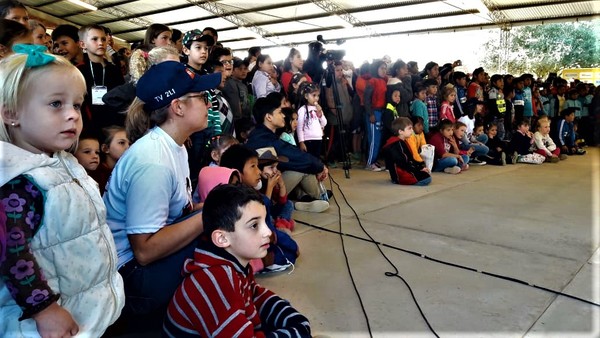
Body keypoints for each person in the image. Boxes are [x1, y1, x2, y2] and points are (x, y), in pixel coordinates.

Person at [0, 44, 124, 337]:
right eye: (56, 104)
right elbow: (10, 253)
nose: (72, 115)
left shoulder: (63, 162)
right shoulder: (18, 182)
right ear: (11, 113)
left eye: (77, 105)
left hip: (83, 310)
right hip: (42, 324)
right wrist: (44, 309)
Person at [103, 61, 221, 331]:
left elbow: (179, 213)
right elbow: (143, 251)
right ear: (177, 107)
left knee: (234, 215)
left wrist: (219, 205)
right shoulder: (153, 161)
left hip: (142, 264)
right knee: (224, 241)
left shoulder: (174, 146)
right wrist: (210, 214)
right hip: (131, 276)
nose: (209, 104)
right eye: (202, 98)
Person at [163, 184, 311, 337]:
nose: (268, 232)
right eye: (254, 225)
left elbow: (254, 295)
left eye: (265, 222)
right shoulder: (215, 280)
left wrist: (294, 321)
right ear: (222, 238)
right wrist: (298, 331)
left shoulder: (233, 264)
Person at [246, 92, 329, 212]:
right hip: (265, 191)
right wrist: (320, 166)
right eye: (280, 112)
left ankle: (305, 198)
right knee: (302, 166)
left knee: (303, 164)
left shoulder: (262, 134)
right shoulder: (264, 138)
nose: (284, 116)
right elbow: (294, 156)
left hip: (268, 185)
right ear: (269, 117)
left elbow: (292, 151)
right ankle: (318, 196)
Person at [77, 24, 125, 133]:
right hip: (87, 127)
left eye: (103, 39)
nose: (100, 43)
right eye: (94, 39)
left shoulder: (114, 70)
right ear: (83, 44)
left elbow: (121, 99)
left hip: (113, 126)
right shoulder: (79, 70)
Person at [382, 117, 431, 186]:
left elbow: (410, 159)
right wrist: (418, 170)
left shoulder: (402, 141)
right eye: (409, 128)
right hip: (400, 175)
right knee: (427, 178)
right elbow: (403, 163)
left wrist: (420, 168)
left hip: (402, 171)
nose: (412, 130)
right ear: (400, 131)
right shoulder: (397, 144)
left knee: (425, 173)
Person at [364, 60, 388, 171]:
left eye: (385, 68)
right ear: (376, 69)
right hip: (374, 112)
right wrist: (371, 114)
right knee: (374, 139)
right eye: (382, 68)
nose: (384, 70)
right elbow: (366, 99)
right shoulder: (372, 81)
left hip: (381, 112)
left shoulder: (383, 80)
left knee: (378, 139)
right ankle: (370, 163)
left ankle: (374, 161)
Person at [296, 82, 327, 159]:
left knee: (317, 158)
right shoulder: (302, 109)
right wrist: (301, 142)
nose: (316, 98)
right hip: (308, 139)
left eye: (318, 96)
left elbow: (324, 123)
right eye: (314, 95)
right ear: (306, 96)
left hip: (318, 138)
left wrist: (320, 114)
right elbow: (300, 127)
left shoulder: (318, 108)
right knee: (309, 159)